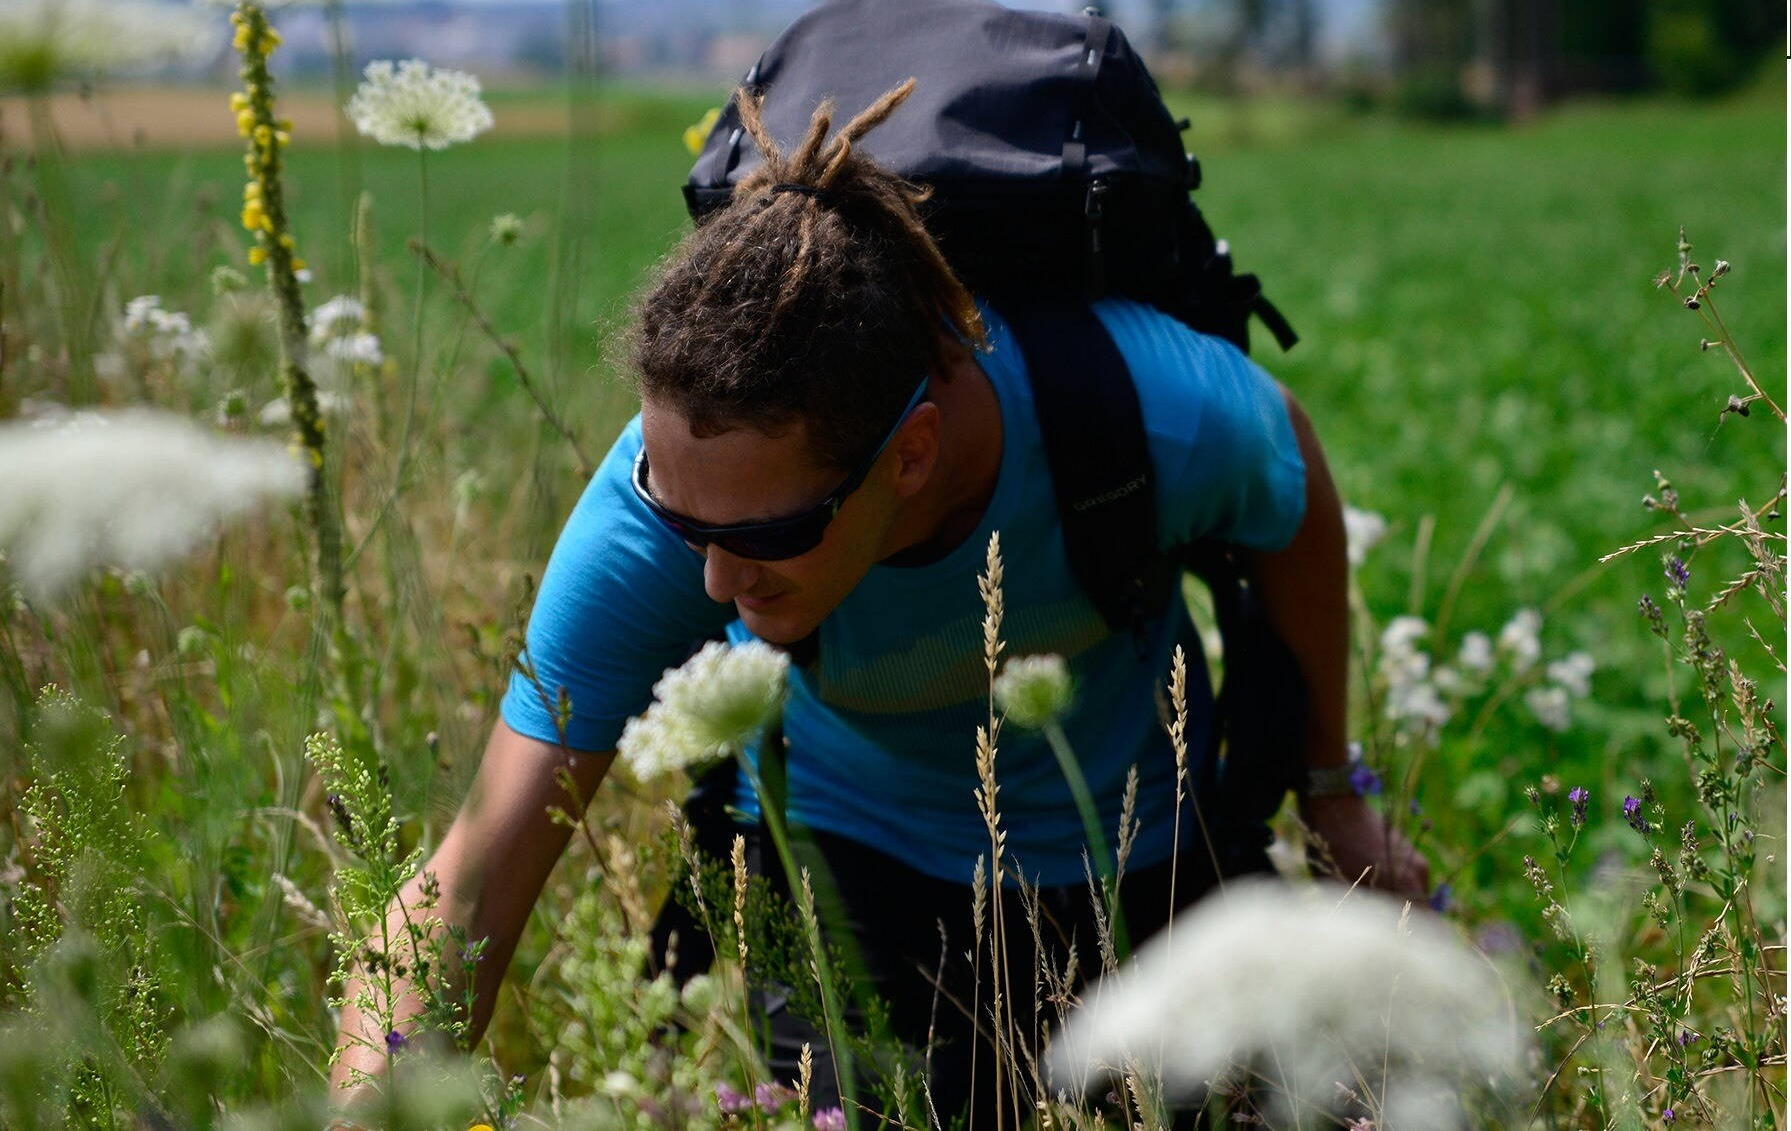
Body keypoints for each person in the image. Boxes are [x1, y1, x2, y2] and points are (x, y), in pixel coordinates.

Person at [328, 80, 1429, 1123]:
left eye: (768, 536)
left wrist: (1331, 789)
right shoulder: (660, 509)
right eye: (687, 528)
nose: (715, 579)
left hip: (1141, 858)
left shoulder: (1141, 407)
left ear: (910, 454)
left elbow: (1293, 481)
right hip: (847, 880)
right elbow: (468, 886)